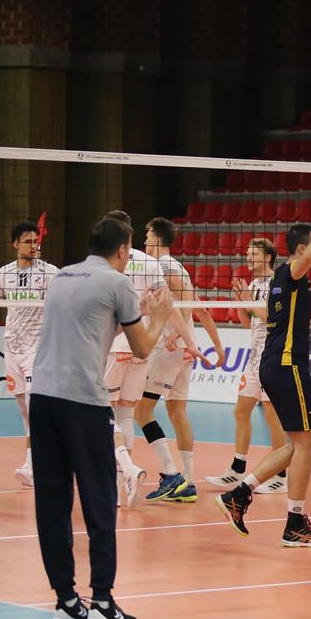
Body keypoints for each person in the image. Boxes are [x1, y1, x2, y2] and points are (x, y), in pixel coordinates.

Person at [30, 216, 175, 619]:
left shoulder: (62, 276)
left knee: (52, 502)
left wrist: (133, 310)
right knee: (99, 498)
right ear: (123, 249)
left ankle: (65, 601)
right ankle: (102, 602)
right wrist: (159, 316)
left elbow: (88, 325)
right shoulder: (118, 282)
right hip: (83, 402)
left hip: (43, 398)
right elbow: (142, 348)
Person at [214, 204, 311, 546]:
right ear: (301, 248)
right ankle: (287, 520)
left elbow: (270, 317)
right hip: (287, 365)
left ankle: (242, 496)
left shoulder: (281, 280)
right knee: (305, 444)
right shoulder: (293, 272)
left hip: (274, 364)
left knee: (297, 444)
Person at [102, 210, 198, 508]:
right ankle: (130, 485)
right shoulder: (149, 262)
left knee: (105, 415)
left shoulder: (103, 260)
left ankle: (124, 475)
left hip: (114, 344)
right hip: (141, 348)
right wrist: (190, 341)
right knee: (128, 414)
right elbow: (169, 306)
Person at [134, 217, 224, 504]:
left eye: (147, 235)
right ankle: (187, 482)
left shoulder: (161, 267)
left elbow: (175, 306)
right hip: (185, 351)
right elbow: (200, 309)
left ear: (157, 240)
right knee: (177, 412)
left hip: (169, 349)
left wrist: (177, 335)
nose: (144, 241)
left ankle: (170, 473)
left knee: (141, 411)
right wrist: (216, 345)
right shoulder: (178, 267)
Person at [206, 238, 290, 495]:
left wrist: (248, 301)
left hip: (273, 358)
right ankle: (237, 468)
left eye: (253, 253)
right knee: (241, 411)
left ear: (268, 257)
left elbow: (272, 318)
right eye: (247, 253)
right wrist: (241, 301)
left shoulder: (277, 283)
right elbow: (247, 323)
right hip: (254, 360)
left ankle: (281, 476)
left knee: (272, 416)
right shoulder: (253, 285)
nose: (248, 257)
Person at [0, 221, 59, 487]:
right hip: (12, 348)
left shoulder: (49, 272)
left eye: (36, 241)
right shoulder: (5, 273)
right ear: (15, 244)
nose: (33, 245)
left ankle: (32, 465)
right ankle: (38, 462)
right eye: (27, 241)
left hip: (37, 349)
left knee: (36, 408)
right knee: (24, 409)